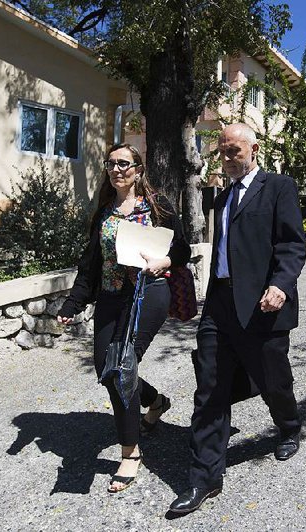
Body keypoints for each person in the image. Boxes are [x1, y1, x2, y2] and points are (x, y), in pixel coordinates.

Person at [168, 123, 306, 515]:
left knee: (272, 378)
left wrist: (280, 284)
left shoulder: (278, 187)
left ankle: (289, 425)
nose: (228, 158)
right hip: (220, 305)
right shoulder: (222, 197)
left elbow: (293, 244)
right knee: (210, 385)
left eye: (235, 151)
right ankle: (203, 479)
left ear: (254, 148)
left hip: (264, 303)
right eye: (223, 152)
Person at [56, 143, 190, 493]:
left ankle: (130, 453)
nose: (117, 170)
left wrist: (166, 261)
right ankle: (156, 401)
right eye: (111, 164)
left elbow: (182, 248)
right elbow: (90, 265)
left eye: (124, 164)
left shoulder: (157, 206)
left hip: (149, 294)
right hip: (111, 297)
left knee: (122, 367)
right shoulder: (104, 212)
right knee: (107, 367)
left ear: (138, 169)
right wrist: (73, 304)